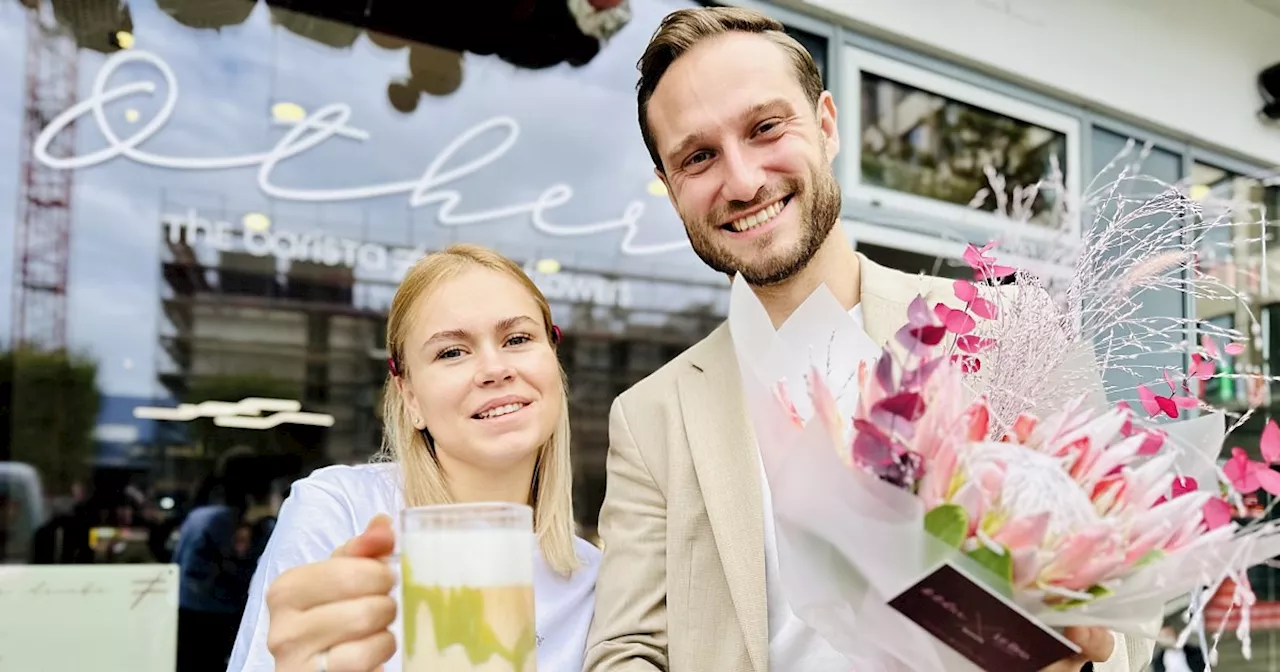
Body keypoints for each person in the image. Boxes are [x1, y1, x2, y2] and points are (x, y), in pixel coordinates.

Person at [583, 7, 1153, 672]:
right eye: (699, 156)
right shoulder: (651, 417)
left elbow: (1129, 613)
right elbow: (625, 651)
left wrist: (1082, 659)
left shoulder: (1011, 331)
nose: (741, 181)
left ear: (826, 126)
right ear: (673, 188)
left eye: (765, 127)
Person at [225, 244, 599, 672]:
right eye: (451, 352)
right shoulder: (342, 511)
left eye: (517, 339)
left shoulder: (595, 578)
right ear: (410, 398)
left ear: (554, 361)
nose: (495, 369)